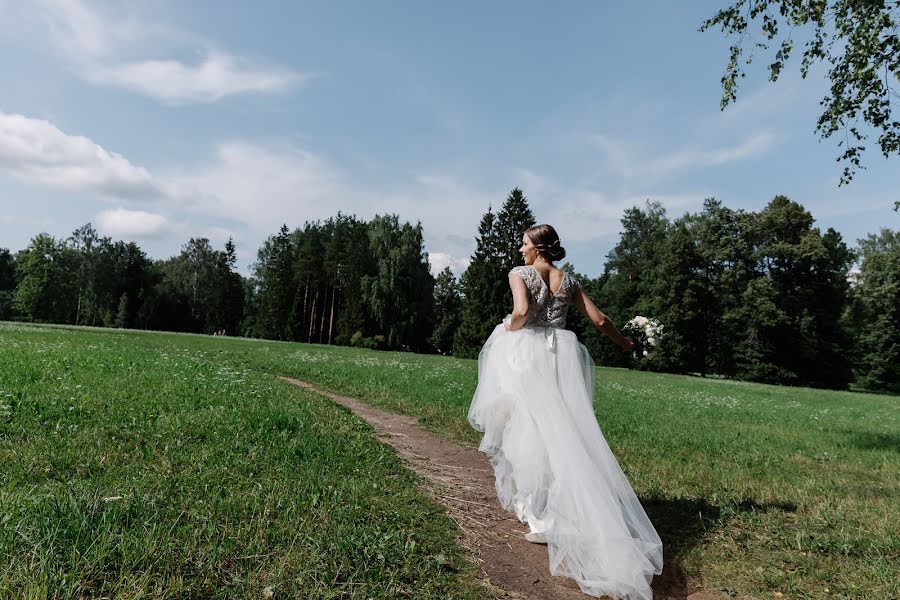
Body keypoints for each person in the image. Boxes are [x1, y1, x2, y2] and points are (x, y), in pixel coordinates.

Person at [467, 224, 663, 600]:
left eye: (524, 243)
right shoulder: (568, 280)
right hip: (561, 357)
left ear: (538, 248)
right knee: (560, 431)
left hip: (527, 355)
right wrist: (625, 343)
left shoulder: (520, 274)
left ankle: (540, 517)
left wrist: (507, 328)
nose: (520, 249)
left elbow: (522, 311)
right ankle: (555, 513)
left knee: (521, 428)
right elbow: (600, 320)